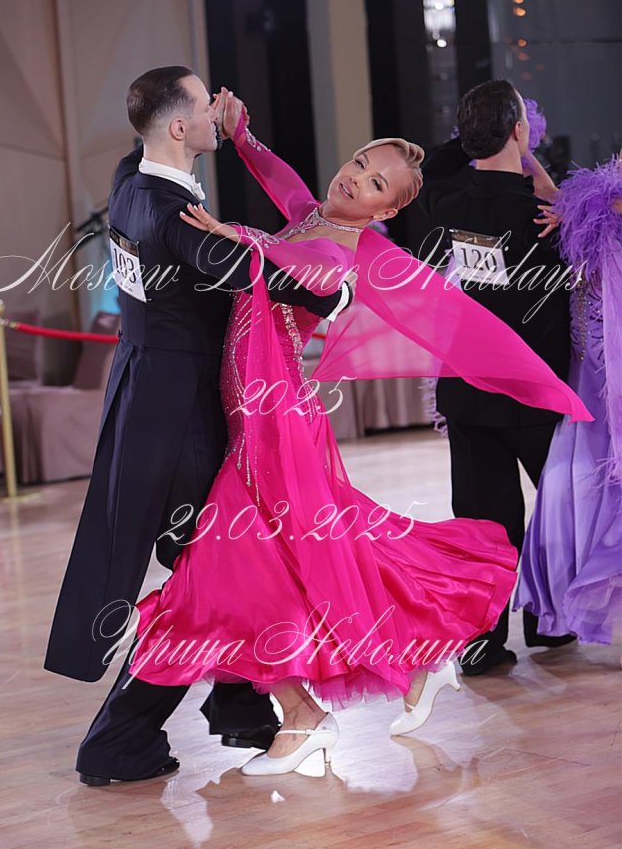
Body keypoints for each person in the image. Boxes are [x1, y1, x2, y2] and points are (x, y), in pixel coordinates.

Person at [124, 91, 589, 776]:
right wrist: (244, 139)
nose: (355, 180)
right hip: (252, 412)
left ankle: (316, 712)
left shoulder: (345, 250)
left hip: (274, 421)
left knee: (264, 559)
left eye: (375, 184)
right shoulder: (315, 214)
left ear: (386, 211)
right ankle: (399, 667)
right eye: (359, 164)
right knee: (312, 554)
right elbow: (285, 184)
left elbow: (298, 272)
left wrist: (233, 237)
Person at [44, 67, 349, 786]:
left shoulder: (131, 178)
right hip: (179, 415)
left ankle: (241, 710)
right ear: (178, 128)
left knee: (219, 566)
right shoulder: (173, 213)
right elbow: (258, 273)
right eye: (204, 102)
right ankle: (121, 739)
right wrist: (334, 291)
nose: (216, 107)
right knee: (210, 573)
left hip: (145, 393)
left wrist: (237, 133)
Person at [417, 79, 580, 677]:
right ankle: (548, 619)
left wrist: (474, 140)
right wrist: (533, 163)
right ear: (520, 130)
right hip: (535, 391)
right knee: (564, 510)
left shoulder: (447, 200)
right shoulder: (551, 217)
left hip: (468, 388)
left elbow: (435, 167)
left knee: (482, 521)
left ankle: (481, 640)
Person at [516, 154, 622, 643]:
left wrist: (575, 208)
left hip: (611, 364)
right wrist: (535, 167)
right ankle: (561, 606)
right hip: (588, 368)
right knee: (569, 486)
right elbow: (562, 195)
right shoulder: (594, 200)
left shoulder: (601, 204)